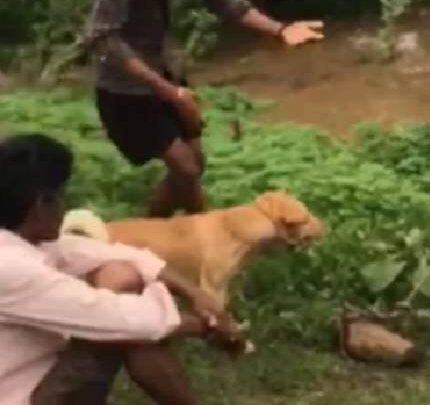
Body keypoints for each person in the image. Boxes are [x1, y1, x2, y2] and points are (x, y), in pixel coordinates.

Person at [82, 0, 324, 218]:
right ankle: (171, 235)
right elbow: (103, 36)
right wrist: (171, 93)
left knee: (195, 161)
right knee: (185, 168)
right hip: (126, 83)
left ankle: (177, 235)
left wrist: (280, 29)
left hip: (165, 67)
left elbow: (222, 0)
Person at [0, 133, 246, 405]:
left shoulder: (24, 243)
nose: (65, 205)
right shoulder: (11, 267)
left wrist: (193, 293)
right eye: (62, 196)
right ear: (42, 204)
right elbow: (117, 318)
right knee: (125, 322)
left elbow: (117, 253)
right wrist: (205, 327)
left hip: (42, 382)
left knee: (120, 276)